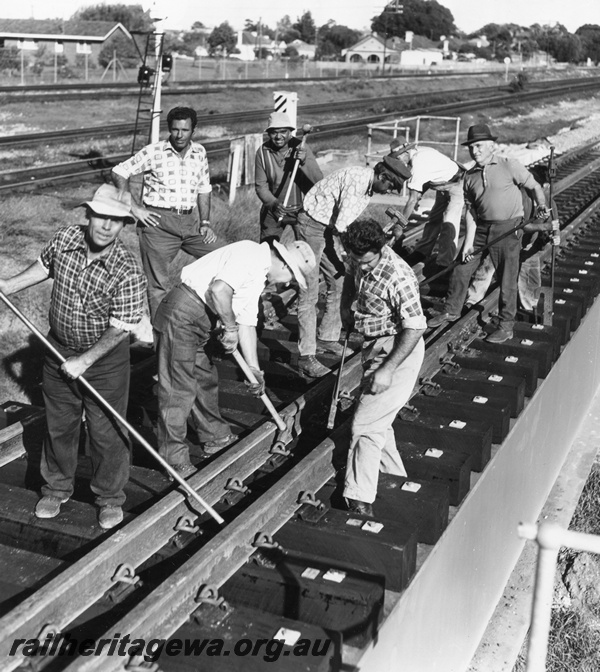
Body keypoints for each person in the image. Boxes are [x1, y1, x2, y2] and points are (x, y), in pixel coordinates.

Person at [0, 185, 146, 529]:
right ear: (88, 215)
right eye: (101, 216)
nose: (106, 226)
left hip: (104, 361)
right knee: (59, 424)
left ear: (123, 225)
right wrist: (8, 285)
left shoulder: (126, 269)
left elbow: (121, 328)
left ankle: (109, 497)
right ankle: (56, 488)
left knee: (106, 430)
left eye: (116, 220)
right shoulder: (65, 238)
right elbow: (42, 266)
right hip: (58, 350)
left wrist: (85, 361)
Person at [153, 239, 316, 476]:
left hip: (200, 319)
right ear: (285, 264)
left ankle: (215, 436)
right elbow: (219, 291)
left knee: (204, 379)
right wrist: (229, 328)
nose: (289, 282)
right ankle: (173, 459)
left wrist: (254, 369)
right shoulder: (250, 253)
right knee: (178, 388)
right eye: (292, 276)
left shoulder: (259, 273)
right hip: (184, 313)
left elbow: (247, 323)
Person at [427, 124, 550, 343]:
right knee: (461, 268)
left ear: (491, 146)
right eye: (472, 147)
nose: (475, 151)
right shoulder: (470, 176)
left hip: (508, 228)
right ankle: (451, 310)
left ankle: (506, 325)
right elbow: (472, 212)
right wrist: (468, 244)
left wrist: (541, 206)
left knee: (507, 278)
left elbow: (535, 187)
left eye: (480, 146)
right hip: (481, 228)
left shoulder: (508, 165)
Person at [295, 156, 411, 378]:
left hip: (327, 228)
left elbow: (345, 223)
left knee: (339, 280)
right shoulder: (357, 182)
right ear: (382, 176)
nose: (388, 191)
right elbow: (344, 228)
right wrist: (365, 249)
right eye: (390, 186)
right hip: (312, 225)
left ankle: (328, 337)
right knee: (308, 291)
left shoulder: (367, 186)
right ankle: (305, 357)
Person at [340, 219, 427, 516]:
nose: (360, 267)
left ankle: (359, 498)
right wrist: (347, 310)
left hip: (399, 349)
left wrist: (388, 369)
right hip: (373, 345)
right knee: (379, 423)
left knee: (365, 424)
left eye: (365, 261)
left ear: (380, 248)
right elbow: (351, 280)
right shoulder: (357, 258)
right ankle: (395, 480)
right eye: (355, 259)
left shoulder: (397, 275)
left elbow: (415, 327)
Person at [111, 106, 224, 320]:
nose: (179, 135)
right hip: (157, 224)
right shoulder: (154, 151)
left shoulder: (199, 152)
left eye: (185, 130)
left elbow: (204, 188)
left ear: (193, 130)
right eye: (175, 130)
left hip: (191, 222)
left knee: (225, 256)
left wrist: (206, 222)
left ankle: (211, 316)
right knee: (157, 285)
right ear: (169, 129)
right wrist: (133, 208)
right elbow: (119, 171)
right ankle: (161, 341)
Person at [464, 164, 557, 316]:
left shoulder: (547, 200)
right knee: (487, 267)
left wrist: (554, 235)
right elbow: (521, 226)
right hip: (507, 241)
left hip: (529, 246)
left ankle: (530, 307)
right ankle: (472, 301)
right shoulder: (517, 196)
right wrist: (543, 227)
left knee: (530, 277)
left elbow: (555, 222)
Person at [391, 141, 466, 271]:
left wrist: (400, 225)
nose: (399, 162)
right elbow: (428, 176)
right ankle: (421, 253)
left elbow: (412, 199)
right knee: (434, 220)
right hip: (443, 184)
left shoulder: (417, 164)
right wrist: (419, 195)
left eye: (398, 158)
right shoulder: (419, 153)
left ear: (406, 152)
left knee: (449, 222)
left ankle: (444, 263)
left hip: (457, 184)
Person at [255, 112, 323, 243]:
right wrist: (273, 203)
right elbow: (260, 186)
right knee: (267, 250)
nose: (278, 136)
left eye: (283, 132)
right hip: (274, 210)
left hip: (303, 210)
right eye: (274, 132)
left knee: (306, 253)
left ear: (290, 132)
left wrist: (304, 162)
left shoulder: (301, 148)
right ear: (268, 133)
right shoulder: (262, 152)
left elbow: (318, 180)